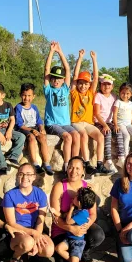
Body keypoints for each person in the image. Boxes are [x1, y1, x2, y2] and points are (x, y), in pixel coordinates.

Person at [49, 157, 105, 262]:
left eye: (77, 168)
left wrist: (85, 226)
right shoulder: (59, 187)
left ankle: (83, 252)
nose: (73, 171)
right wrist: (71, 228)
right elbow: (56, 218)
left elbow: (93, 214)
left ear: (83, 171)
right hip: (61, 230)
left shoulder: (88, 188)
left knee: (97, 234)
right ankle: (74, 259)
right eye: (70, 167)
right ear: (67, 168)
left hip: (80, 232)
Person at [3, 163, 55, 262]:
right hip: (18, 232)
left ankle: (29, 254)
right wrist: (32, 234)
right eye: (21, 174)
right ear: (17, 176)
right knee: (28, 242)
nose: (25, 177)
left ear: (34, 177)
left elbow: (41, 219)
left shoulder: (40, 194)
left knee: (49, 250)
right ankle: (15, 258)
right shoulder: (10, 195)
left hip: (35, 230)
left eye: (28, 174)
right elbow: (11, 223)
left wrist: (37, 235)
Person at [43, 41, 83, 170]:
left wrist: (60, 52)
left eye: (59, 78)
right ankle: (67, 165)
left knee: (76, 135)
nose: (56, 80)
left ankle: (75, 162)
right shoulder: (48, 90)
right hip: (52, 124)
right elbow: (46, 70)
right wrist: (51, 52)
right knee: (67, 137)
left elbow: (67, 70)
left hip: (65, 123)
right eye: (53, 78)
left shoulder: (65, 89)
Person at [70, 50, 110, 175]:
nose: (83, 86)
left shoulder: (91, 93)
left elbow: (96, 78)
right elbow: (75, 76)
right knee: (84, 135)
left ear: (89, 85)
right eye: (81, 84)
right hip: (76, 122)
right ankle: (86, 163)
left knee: (100, 136)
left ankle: (99, 164)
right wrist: (80, 58)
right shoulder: (74, 93)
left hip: (88, 123)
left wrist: (94, 59)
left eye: (86, 84)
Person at [53, 187, 103, 262]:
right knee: (58, 248)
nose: (73, 197)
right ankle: (75, 261)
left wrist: (71, 209)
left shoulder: (82, 214)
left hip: (77, 242)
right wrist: (55, 212)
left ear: (79, 202)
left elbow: (68, 221)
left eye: (76, 196)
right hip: (69, 238)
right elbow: (63, 216)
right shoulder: (78, 210)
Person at [0, 82, 26, 175]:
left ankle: (12, 157)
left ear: (2, 95)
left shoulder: (8, 106)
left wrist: (9, 131)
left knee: (21, 137)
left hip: (6, 129)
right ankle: (1, 165)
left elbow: (12, 120)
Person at [15, 83, 54, 176]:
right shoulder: (18, 107)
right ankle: (35, 163)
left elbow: (39, 121)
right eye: (24, 95)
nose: (26, 98)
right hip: (24, 128)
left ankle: (46, 163)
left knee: (43, 138)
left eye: (29, 96)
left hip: (34, 127)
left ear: (33, 96)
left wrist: (41, 128)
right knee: (31, 138)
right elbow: (19, 124)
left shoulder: (34, 107)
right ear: (20, 95)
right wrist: (31, 130)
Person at [93, 73, 122, 174]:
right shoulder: (98, 96)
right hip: (99, 122)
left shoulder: (114, 96)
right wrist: (104, 125)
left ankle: (121, 157)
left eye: (109, 85)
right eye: (104, 84)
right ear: (100, 85)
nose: (106, 87)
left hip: (109, 122)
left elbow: (116, 110)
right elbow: (96, 113)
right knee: (108, 133)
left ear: (112, 86)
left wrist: (116, 123)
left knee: (119, 132)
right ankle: (108, 160)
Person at [113, 83, 132, 159]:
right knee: (126, 135)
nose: (125, 95)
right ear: (119, 92)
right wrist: (115, 125)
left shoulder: (131, 103)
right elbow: (115, 114)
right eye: (123, 93)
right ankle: (126, 153)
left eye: (127, 94)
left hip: (128, 123)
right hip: (120, 123)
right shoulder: (118, 102)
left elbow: (131, 112)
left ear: (131, 94)